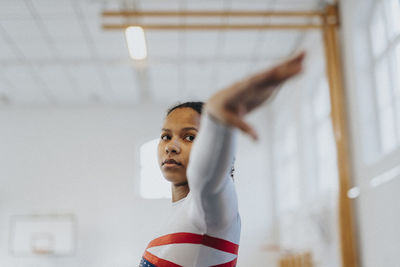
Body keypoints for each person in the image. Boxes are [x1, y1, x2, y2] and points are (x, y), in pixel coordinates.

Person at [139, 53, 305, 267]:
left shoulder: (210, 205)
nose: (171, 146)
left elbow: (205, 176)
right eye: (166, 136)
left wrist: (217, 119)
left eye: (189, 137)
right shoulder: (182, 212)